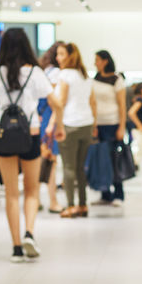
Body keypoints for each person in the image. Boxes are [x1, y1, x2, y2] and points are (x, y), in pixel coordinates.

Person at [0, 28, 56, 263]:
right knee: (32, 189)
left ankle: (16, 247)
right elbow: (55, 102)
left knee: (11, 192)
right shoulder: (36, 73)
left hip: (4, 135)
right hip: (31, 134)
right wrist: (59, 125)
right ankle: (29, 234)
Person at [47, 42, 96, 218]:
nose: (58, 58)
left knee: (68, 167)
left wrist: (53, 123)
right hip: (86, 124)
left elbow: (61, 102)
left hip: (70, 124)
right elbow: (92, 103)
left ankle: (70, 206)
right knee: (80, 168)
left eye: (61, 54)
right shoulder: (85, 76)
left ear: (70, 56)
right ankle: (83, 205)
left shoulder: (65, 75)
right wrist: (94, 125)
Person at [91, 50, 127, 206]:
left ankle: (119, 194)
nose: (95, 63)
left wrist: (121, 127)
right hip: (98, 124)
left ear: (105, 61)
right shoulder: (95, 79)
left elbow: (122, 105)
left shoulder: (117, 80)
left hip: (112, 123)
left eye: (97, 60)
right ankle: (105, 193)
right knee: (100, 160)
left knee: (114, 159)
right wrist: (93, 125)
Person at [37, 41, 65, 214]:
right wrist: (53, 123)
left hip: (41, 117)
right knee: (51, 160)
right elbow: (54, 101)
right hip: (49, 119)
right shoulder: (56, 74)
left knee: (41, 159)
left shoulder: (44, 71)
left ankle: (37, 199)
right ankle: (53, 201)